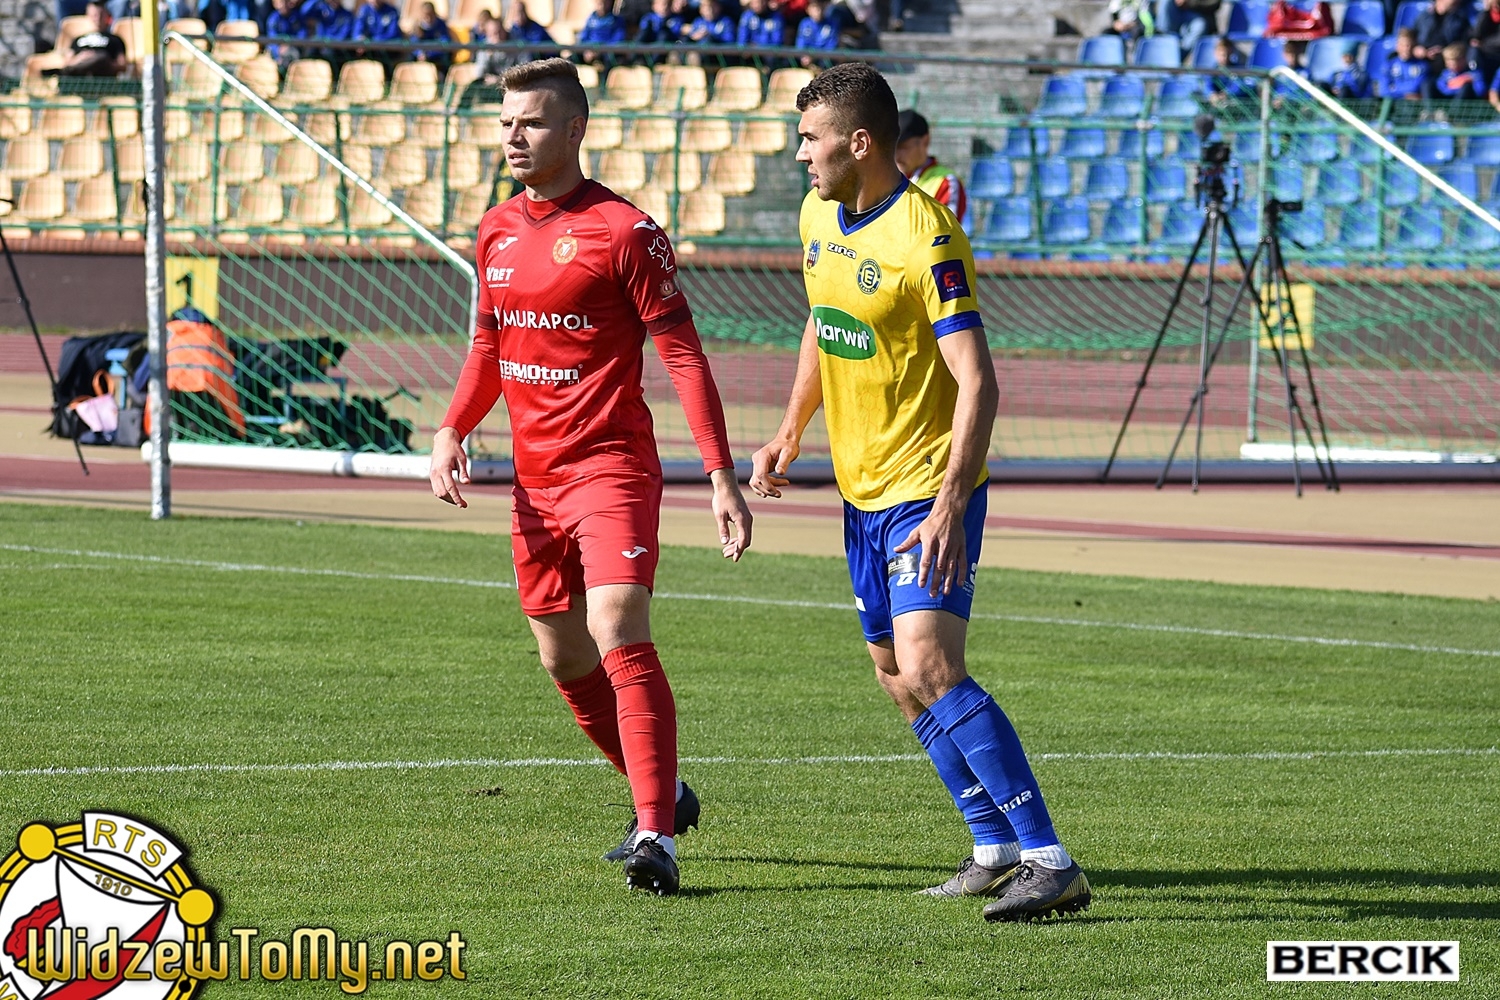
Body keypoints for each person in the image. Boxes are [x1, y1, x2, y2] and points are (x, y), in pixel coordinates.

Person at [748, 62, 1090, 923]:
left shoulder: (927, 238)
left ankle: (1050, 858)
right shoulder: (817, 216)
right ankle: (993, 847)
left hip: (925, 489)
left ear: (860, 143)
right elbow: (822, 321)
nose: (800, 155)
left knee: (932, 665)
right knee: (896, 675)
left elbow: (978, 381)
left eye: (811, 139)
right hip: (860, 491)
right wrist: (791, 429)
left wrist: (948, 504)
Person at [429, 57, 753, 898]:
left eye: (531, 122)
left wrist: (719, 473)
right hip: (533, 483)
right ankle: (663, 793)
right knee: (561, 654)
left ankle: (655, 835)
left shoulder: (626, 231)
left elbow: (683, 355)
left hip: (611, 468)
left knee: (615, 624)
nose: (513, 137)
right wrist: (452, 428)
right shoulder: (495, 230)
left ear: (574, 130)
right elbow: (489, 347)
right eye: (505, 123)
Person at [894, 110, 964, 224]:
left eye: (903, 147)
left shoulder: (946, 182)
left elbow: (947, 230)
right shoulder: (886, 180)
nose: (896, 155)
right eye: (893, 147)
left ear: (925, 141)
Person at [55, 1, 128, 77]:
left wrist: (102, 61)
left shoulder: (115, 39)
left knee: (102, 57)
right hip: (81, 72)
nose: (98, 19)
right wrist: (80, 58)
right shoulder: (78, 39)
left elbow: (122, 65)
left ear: (107, 17)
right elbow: (67, 62)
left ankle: (63, 73)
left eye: (101, 15)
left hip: (103, 71)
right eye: (95, 15)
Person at [574, 0, 627, 66]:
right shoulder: (591, 19)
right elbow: (584, 38)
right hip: (590, 50)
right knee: (572, 58)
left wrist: (599, 52)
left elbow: (617, 41)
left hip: (605, 52)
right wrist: (587, 51)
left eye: (605, 2)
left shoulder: (617, 21)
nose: (602, 6)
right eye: (600, 3)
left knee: (610, 60)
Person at [1384, 28, 1428, 100]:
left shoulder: (1422, 66)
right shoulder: (1389, 65)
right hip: (1394, 102)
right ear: (1397, 46)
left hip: (1412, 104)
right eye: (1403, 45)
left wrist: (1394, 88)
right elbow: (1384, 90)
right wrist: (1404, 96)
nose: (1407, 49)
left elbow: (1414, 88)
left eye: (1409, 45)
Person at [412, 2, 454, 74]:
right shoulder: (418, 26)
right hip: (422, 55)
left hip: (436, 55)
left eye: (430, 15)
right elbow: (413, 43)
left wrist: (429, 54)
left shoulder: (440, 25)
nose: (428, 18)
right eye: (426, 15)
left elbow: (445, 42)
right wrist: (419, 53)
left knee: (446, 58)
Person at [795, 0, 839, 67]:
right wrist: (803, 56)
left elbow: (831, 46)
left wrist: (814, 56)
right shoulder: (804, 23)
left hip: (823, 59)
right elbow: (800, 42)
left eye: (821, 7)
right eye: (815, 7)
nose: (819, 11)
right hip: (806, 58)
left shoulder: (831, 24)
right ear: (808, 9)